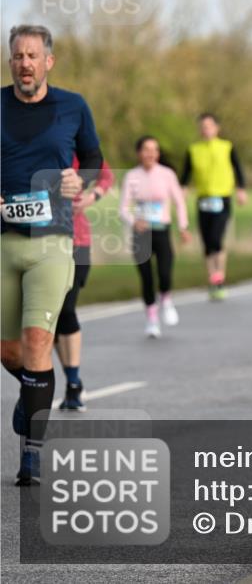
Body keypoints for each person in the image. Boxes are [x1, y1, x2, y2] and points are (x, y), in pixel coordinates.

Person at [2, 25, 103, 484]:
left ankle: (32, 454)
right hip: (4, 241)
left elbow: (96, 160)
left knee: (39, 343)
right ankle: (32, 400)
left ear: (49, 61)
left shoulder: (73, 106)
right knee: (10, 352)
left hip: (53, 241)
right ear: (10, 61)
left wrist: (80, 182)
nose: (25, 63)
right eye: (17, 55)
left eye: (32, 55)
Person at [54, 157, 113, 410]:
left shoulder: (80, 149)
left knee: (67, 310)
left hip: (77, 242)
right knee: (51, 318)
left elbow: (106, 175)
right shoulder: (34, 147)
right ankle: (72, 381)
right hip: (43, 244)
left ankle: (75, 383)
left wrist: (93, 197)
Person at [120, 136, 192, 338]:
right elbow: (123, 208)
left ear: (158, 154)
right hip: (141, 233)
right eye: (146, 149)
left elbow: (179, 202)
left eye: (154, 150)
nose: (150, 153)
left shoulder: (167, 174)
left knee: (165, 272)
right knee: (146, 277)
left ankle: (166, 298)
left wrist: (183, 227)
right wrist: (134, 220)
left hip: (162, 230)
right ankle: (152, 319)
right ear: (139, 153)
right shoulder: (131, 176)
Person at [179, 112, 247, 300]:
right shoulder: (194, 149)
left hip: (222, 197)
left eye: (209, 126)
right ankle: (213, 278)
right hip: (203, 199)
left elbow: (238, 168)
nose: (205, 129)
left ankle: (220, 276)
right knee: (207, 241)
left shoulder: (227, 147)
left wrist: (241, 189)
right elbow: (186, 173)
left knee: (217, 238)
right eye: (202, 126)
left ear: (217, 128)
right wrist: (182, 190)